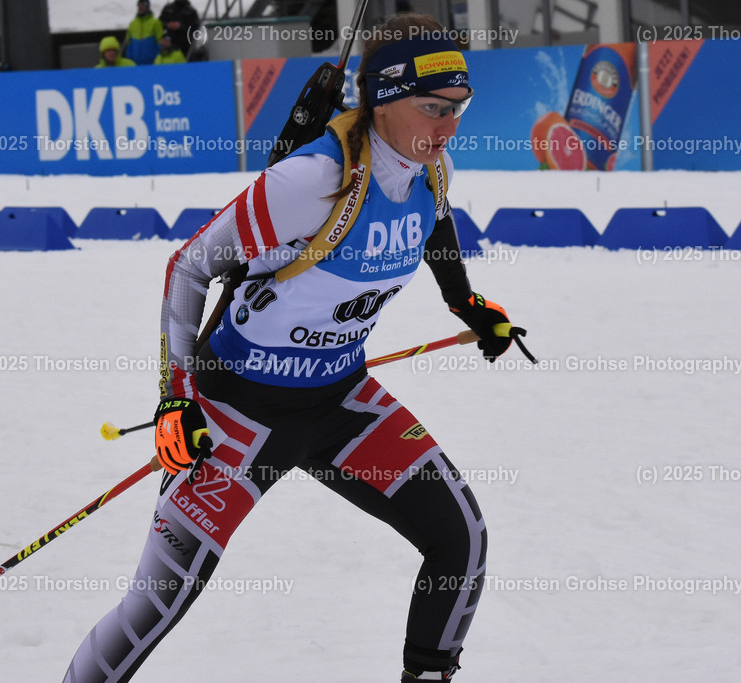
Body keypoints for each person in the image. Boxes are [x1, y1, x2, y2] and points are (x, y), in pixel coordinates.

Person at [64, 12, 528, 683]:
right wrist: (175, 402)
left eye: (459, 108)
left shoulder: (432, 170)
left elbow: (434, 228)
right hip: (237, 414)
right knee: (157, 603)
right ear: (385, 97)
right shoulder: (311, 180)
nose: (449, 125)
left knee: (461, 539)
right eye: (434, 108)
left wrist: (469, 304)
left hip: (341, 402)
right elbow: (190, 267)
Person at [125, 0, 163, 66]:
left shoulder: (155, 22)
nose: (140, 7)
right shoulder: (132, 24)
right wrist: (129, 58)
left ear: (148, 7)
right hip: (135, 63)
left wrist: (157, 59)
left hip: (151, 62)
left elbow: (160, 42)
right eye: (139, 5)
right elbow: (129, 43)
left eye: (143, 5)